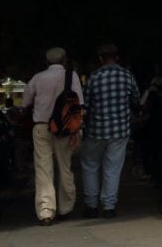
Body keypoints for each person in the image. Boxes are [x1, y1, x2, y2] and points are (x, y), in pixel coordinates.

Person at [21, 47, 83, 225]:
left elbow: (25, 102)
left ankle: (46, 211)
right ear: (65, 61)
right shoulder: (72, 77)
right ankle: (66, 207)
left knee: (43, 169)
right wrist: (76, 130)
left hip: (41, 127)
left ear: (46, 63)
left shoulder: (37, 78)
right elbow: (79, 104)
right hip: (64, 128)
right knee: (65, 167)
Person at [81, 44, 139, 219]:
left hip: (95, 130)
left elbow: (86, 104)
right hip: (120, 130)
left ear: (100, 59)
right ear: (117, 57)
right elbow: (136, 98)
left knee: (90, 166)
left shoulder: (94, 77)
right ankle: (109, 206)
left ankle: (91, 206)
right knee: (113, 168)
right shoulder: (127, 76)